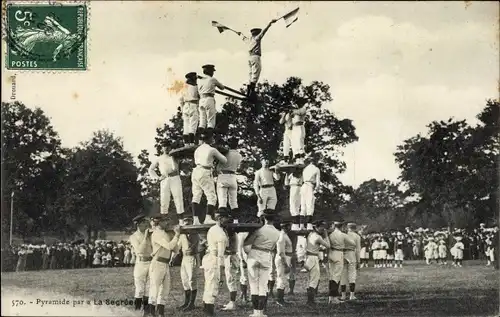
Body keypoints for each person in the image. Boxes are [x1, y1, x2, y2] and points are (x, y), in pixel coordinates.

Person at [244, 211, 281, 317]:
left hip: (254, 253)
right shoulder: (278, 232)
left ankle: (256, 312)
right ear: (274, 219)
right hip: (266, 255)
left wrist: (248, 253)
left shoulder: (258, 230)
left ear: (264, 218)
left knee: (254, 284)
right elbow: (273, 247)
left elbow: (246, 243)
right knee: (263, 285)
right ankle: (261, 313)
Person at [147, 214, 181, 317]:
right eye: (165, 221)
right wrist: (177, 235)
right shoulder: (156, 233)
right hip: (157, 263)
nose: (167, 223)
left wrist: (178, 237)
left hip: (165, 264)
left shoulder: (166, 233)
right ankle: (151, 313)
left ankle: (160, 312)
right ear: (159, 222)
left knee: (165, 289)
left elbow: (175, 249)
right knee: (155, 288)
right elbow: (169, 246)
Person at [234, 19, 277, 97]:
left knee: (251, 73)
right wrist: (270, 23)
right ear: (257, 33)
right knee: (256, 72)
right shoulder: (257, 38)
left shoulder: (249, 40)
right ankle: (252, 91)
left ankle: (249, 90)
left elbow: (243, 37)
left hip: (249, 57)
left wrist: (239, 34)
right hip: (255, 56)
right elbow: (264, 31)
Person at [192, 132, 228, 225]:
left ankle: (195, 220)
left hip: (196, 171)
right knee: (211, 196)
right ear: (209, 139)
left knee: (196, 195)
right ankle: (207, 218)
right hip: (205, 171)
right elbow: (224, 160)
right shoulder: (212, 149)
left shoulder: (197, 149)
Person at [202, 208, 230, 316]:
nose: (227, 220)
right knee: (213, 286)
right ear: (219, 218)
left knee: (208, 284)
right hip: (214, 259)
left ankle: (206, 308)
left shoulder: (213, 229)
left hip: (209, 258)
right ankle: (209, 312)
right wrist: (221, 270)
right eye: (225, 218)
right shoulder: (221, 234)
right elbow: (221, 254)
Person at [170, 215, 200, 312]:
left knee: (192, 279)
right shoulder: (182, 235)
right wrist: (172, 258)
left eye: (189, 221)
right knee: (185, 280)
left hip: (192, 258)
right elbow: (177, 247)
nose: (187, 223)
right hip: (184, 259)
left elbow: (192, 246)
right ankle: (186, 302)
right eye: (185, 221)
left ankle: (192, 303)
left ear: (192, 222)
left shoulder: (194, 233)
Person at [149, 145, 186, 223]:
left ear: (170, 147)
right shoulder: (159, 158)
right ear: (162, 148)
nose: (166, 148)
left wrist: (174, 157)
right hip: (165, 179)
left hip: (175, 178)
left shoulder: (174, 156)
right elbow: (151, 169)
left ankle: (181, 221)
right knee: (164, 200)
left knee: (178, 198)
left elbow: (175, 168)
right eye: (164, 146)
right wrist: (157, 177)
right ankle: (163, 221)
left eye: (167, 146)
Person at [129, 213, 153, 313]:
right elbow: (139, 250)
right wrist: (145, 237)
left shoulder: (150, 234)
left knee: (148, 288)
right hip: (141, 264)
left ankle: (146, 312)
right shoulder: (133, 237)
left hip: (150, 262)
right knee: (139, 289)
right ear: (138, 225)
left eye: (146, 222)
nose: (146, 225)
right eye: (143, 223)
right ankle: (137, 311)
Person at [303, 220, 330, 307]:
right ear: (316, 227)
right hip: (313, 258)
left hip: (308, 257)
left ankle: (310, 300)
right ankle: (310, 301)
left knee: (310, 279)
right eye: (321, 227)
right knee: (314, 279)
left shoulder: (311, 234)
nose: (323, 229)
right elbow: (328, 246)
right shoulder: (318, 237)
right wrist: (326, 235)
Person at [216, 137, 243, 222]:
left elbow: (218, 167)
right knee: (234, 201)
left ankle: (223, 220)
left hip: (223, 175)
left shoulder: (225, 153)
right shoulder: (239, 155)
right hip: (233, 177)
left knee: (222, 199)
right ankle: (236, 220)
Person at [198, 64, 225, 140]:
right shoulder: (212, 79)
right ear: (209, 72)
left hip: (201, 100)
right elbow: (222, 88)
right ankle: (208, 139)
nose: (213, 73)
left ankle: (199, 140)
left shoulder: (200, 80)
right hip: (209, 99)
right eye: (212, 71)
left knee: (202, 122)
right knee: (211, 121)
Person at [327, 221, 352, 304]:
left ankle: (331, 298)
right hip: (339, 253)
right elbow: (353, 244)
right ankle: (334, 298)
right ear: (342, 226)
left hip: (331, 253)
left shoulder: (330, 234)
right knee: (336, 276)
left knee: (332, 276)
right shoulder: (343, 235)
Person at [339, 223, 361, 301]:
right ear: (355, 228)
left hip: (342, 255)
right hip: (351, 255)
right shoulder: (357, 236)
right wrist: (358, 261)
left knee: (343, 275)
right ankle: (352, 295)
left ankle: (343, 296)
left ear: (348, 228)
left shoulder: (341, 235)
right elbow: (358, 250)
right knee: (352, 275)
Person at [221, 220, 240, 311]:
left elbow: (228, 247)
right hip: (231, 256)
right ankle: (232, 301)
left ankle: (232, 302)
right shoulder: (233, 234)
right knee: (230, 279)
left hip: (231, 257)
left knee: (231, 279)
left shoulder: (232, 235)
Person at [275, 218, 294, 306]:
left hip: (287, 257)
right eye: (290, 225)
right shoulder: (282, 236)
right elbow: (280, 252)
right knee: (281, 279)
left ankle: (281, 299)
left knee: (283, 279)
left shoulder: (285, 235)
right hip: (283, 258)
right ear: (286, 226)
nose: (291, 227)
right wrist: (285, 264)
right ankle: (280, 300)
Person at [300, 155, 320, 230]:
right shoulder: (316, 169)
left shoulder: (305, 169)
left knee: (303, 207)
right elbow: (318, 183)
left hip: (303, 186)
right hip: (309, 186)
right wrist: (316, 191)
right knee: (310, 206)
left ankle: (301, 225)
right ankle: (309, 225)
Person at [180, 72, 200, 146]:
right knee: (193, 124)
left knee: (186, 124)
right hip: (193, 105)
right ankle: (191, 143)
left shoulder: (184, 88)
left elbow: (180, 100)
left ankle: (186, 143)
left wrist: (182, 109)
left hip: (185, 106)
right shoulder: (196, 87)